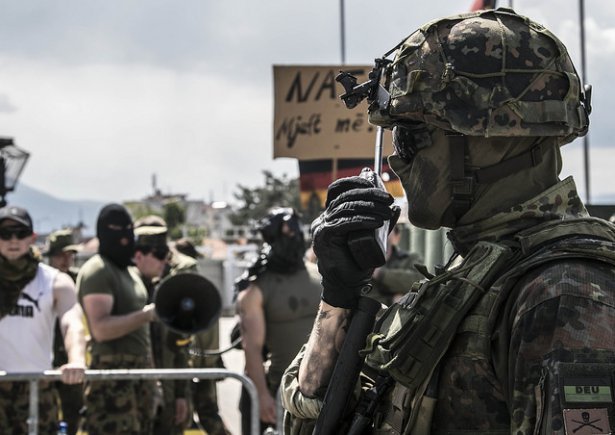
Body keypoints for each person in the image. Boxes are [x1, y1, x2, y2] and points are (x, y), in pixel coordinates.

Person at [281, 8, 615, 435]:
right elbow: (313, 413)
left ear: (486, 139)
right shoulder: (475, 275)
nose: (397, 160)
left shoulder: (564, 295)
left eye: (410, 135)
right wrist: (340, 298)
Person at [134, 216, 231, 435]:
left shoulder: (182, 268)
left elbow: (191, 319)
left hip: (191, 355)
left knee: (206, 412)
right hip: (170, 360)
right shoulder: (139, 272)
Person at [0, 206, 86, 434]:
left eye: (20, 232)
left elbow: (72, 322)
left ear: (32, 237)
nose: (13, 240)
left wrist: (76, 360)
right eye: (5, 233)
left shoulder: (55, 281)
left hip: (37, 388)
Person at [236, 207, 321, 434]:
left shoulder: (320, 275)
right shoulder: (257, 289)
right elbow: (251, 349)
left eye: (292, 231)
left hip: (325, 387)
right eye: (284, 233)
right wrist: (262, 396)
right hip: (285, 389)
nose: (290, 237)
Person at [77, 203, 157, 435]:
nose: (124, 237)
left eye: (128, 229)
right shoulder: (98, 271)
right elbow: (100, 329)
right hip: (111, 376)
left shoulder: (130, 272)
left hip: (139, 372)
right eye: (115, 229)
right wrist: (148, 315)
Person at [133, 224, 191, 435]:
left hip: (166, 402)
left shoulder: (168, 294)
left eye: (166, 254)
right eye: (158, 254)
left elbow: (179, 349)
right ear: (138, 255)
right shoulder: (126, 294)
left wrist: (180, 395)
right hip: (134, 400)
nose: (164, 261)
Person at [173, 236, 231, 435]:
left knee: (194, 415)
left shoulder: (188, 291)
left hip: (195, 365)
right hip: (203, 364)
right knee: (206, 415)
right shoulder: (201, 288)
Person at [44, 229, 84, 435]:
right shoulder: (41, 280)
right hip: (45, 354)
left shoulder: (79, 280)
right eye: (60, 255)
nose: (66, 260)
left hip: (70, 355)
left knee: (73, 412)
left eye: (70, 255)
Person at [370, 224, 423, 306]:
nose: (382, 234)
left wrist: (380, 274)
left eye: (387, 230)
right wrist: (391, 300)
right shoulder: (365, 260)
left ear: (397, 236)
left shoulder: (410, 258)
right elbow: (364, 296)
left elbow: (418, 284)